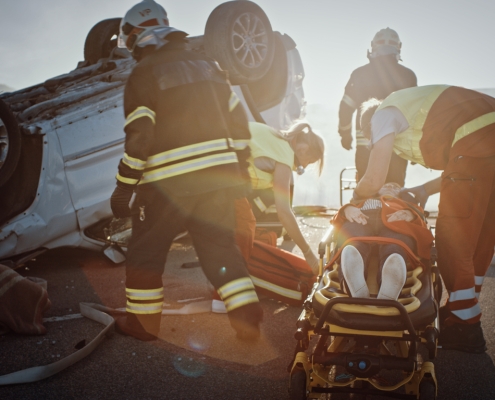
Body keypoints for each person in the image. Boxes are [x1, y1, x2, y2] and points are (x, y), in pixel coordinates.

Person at [110, 0, 262, 341]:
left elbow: (140, 135)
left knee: (146, 253)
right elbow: (240, 126)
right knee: (221, 249)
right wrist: (239, 171)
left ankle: (143, 324)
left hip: (166, 185)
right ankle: (247, 317)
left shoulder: (144, 72)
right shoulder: (209, 66)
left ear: (136, 34)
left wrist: (124, 185)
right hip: (216, 182)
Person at [354, 85, 495, 353]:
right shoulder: (420, 112)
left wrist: (357, 196)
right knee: (481, 238)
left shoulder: (382, 114)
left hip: (475, 141)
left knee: (454, 237)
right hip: (485, 144)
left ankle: (466, 326)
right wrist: (422, 190)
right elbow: (463, 163)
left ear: (369, 125)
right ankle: (463, 310)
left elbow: (373, 178)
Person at [212, 121, 325, 312]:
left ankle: (227, 285)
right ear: (303, 149)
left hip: (212, 165)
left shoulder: (275, 138)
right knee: (245, 227)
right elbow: (284, 212)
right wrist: (308, 253)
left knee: (238, 225)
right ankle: (223, 297)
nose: (304, 167)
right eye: (309, 162)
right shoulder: (284, 157)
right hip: (218, 176)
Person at [338, 28, 417, 185]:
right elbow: (414, 113)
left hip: (366, 144)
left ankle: (365, 209)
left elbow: (346, 107)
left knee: (366, 187)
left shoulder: (359, 74)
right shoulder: (408, 75)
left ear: (373, 46)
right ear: (398, 47)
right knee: (393, 190)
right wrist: (414, 146)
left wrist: (345, 134)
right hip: (398, 145)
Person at [332, 182, 433, 300]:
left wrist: (410, 214)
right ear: (377, 190)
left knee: (396, 244)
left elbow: (420, 218)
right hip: (363, 217)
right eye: (386, 185)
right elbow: (337, 218)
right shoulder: (364, 200)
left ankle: (390, 285)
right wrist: (347, 209)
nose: (390, 187)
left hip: (395, 221)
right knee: (352, 240)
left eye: (395, 187)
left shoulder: (406, 204)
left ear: (400, 193)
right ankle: (352, 282)